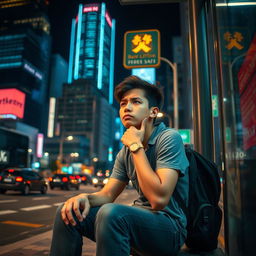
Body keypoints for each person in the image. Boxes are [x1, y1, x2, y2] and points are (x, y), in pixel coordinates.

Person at [50, 76, 189, 256]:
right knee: (68, 211)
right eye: (123, 104)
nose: (127, 108)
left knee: (111, 214)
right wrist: (85, 197)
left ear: (153, 112)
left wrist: (135, 146)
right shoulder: (125, 152)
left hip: (170, 229)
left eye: (136, 102)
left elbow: (159, 200)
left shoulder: (168, 138)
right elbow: (108, 194)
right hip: (135, 222)